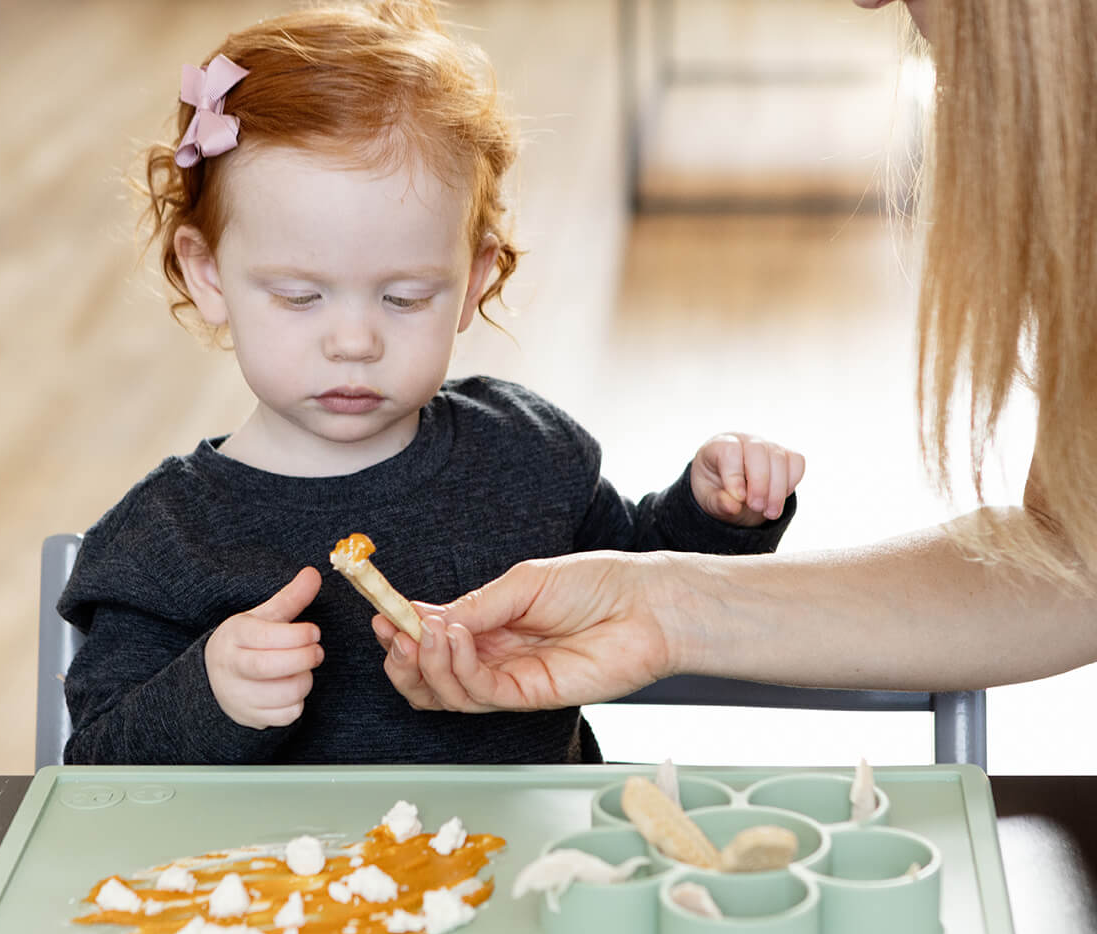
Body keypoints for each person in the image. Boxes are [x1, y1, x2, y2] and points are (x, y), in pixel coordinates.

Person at [57, 0, 805, 766]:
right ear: (207, 273)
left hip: (534, 872)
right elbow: (92, 776)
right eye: (299, 296)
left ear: (474, 278)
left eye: (406, 297)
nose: (354, 341)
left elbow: (644, 588)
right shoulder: (167, 538)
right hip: (283, 884)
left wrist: (720, 518)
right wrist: (208, 697)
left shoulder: (525, 455)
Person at [374, 0, 1097, 715]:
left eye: (400, 295)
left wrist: (704, 540)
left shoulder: (526, 447)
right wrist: (666, 605)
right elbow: (1072, 556)